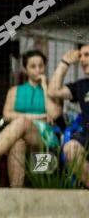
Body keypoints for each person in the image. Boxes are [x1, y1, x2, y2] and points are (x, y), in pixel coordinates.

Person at [0, 50, 63, 186]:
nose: (38, 69)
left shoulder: (52, 89)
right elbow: (7, 115)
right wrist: (39, 116)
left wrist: (45, 87)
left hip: (45, 139)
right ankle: (16, 194)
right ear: (25, 69)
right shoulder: (14, 91)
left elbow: (55, 114)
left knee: (21, 122)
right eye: (33, 66)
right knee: (17, 143)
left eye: (41, 66)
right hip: (19, 137)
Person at [45, 43, 89, 187]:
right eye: (80, 56)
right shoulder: (82, 85)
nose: (82, 59)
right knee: (69, 148)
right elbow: (52, 91)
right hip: (86, 136)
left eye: (87, 55)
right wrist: (65, 62)